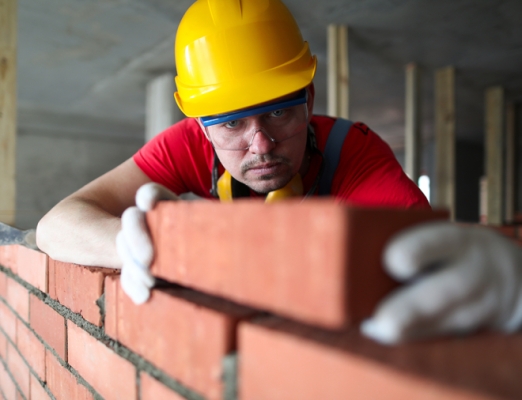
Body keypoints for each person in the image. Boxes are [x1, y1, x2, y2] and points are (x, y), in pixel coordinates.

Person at [35, 0, 522, 345]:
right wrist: (141, 246)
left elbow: (428, 264)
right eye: (231, 124)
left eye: (278, 113)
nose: (261, 143)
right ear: (201, 127)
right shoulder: (185, 145)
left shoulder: (353, 151)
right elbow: (57, 224)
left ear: (308, 101)